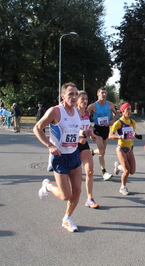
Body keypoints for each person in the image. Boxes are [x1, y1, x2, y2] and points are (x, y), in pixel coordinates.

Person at [33, 82, 89, 233]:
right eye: (71, 94)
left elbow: (72, 132)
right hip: (59, 158)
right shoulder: (55, 111)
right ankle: (48, 186)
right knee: (66, 195)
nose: (74, 97)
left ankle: (67, 218)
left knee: (77, 191)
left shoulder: (78, 113)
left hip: (74, 155)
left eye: (76, 94)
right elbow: (37, 128)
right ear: (62, 96)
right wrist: (50, 146)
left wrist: (80, 138)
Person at [109, 103, 142, 195]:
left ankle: (118, 167)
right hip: (121, 148)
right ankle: (123, 187)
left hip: (130, 148)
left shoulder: (132, 122)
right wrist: (120, 136)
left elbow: (133, 132)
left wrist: (137, 135)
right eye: (127, 109)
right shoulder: (118, 123)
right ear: (122, 112)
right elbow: (110, 135)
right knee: (127, 171)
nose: (129, 111)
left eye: (130, 109)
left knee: (132, 171)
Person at [87, 87, 118, 180]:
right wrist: (90, 126)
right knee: (102, 150)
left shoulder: (110, 104)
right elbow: (84, 117)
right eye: (102, 93)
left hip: (106, 129)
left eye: (105, 93)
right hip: (97, 129)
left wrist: (112, 121)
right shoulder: (92, 106)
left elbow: (116, 114)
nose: (104, 95)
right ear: (98, 94)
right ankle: (104, 172)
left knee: (103, 151)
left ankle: (92, 152)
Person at [76, 91, 99, 208]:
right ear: (77, 100)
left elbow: (87, 126)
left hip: (83, 144)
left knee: (90, 171)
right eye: (82, 99)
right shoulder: (72, 112)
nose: (85, 101)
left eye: (86, 99)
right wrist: (79, 136)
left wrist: (91, 133)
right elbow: (70, 129)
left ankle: (89, 198)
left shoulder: (86, 113)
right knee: (73, 175)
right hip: (71, 145)